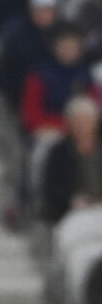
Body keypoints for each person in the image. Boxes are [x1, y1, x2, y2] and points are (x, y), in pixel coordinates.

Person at [40, 94, 102, 222]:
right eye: (78, 121)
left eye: (87, 120)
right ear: (69, 123)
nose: (83, 126)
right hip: (74, 213)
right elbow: (52, 190)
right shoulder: (59, 153)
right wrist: (71, 201)